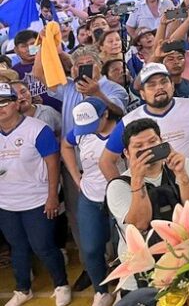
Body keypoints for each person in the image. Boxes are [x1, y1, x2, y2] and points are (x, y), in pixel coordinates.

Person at [105, 118, 189, 294]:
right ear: (127, 153)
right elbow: (141, 224)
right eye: (139, 146)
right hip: (142, 275)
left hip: (187, 263)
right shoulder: (118, 186)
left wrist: (181, 174)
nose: (147, 149)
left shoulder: (184, 165)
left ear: (162, 141)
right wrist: (137, 179)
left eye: (152, 142)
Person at [0, 82, 71, 306]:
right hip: (6, 202)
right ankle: (23, 289)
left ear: (15, 104)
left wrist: (52, 196)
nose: (0, 108)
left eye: (4, 102)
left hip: (36, 200)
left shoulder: (38, 129)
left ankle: (61, 284)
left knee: (43, 246)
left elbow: (53, 164)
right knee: (17, 247)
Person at [100, 63, 189, 180]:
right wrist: (124, 186)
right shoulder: (129, 121)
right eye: (151, 85)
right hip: (152, 188)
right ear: (142, 94)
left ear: (172, 86)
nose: (159, 87)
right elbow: (106, 161)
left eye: (164, 82)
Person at [62, 98, 120, 306]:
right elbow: (66, 145)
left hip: (118, 198)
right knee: (91, 248)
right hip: (91, 196)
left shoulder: (122, 129)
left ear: (105, 114)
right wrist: (76, 176)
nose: (88, 130)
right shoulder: (81, 132)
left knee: (124, 248)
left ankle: (124, 289)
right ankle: (101, 291)